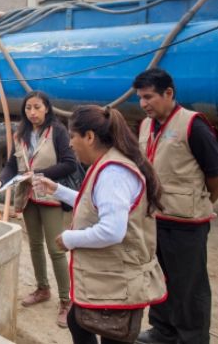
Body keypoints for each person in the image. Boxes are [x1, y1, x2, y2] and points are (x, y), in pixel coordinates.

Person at [33, 105, 167, 344]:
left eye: (73, 137)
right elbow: (93, 204)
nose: (71, 144)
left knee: (103, 332)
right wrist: (58, 190)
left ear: (90, 137)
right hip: (110, 278)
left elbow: (112, 230)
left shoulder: (113, 173)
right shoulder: (107, 164)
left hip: (118, 279)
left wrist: (69, 239)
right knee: (78, 321)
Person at [133, 69, 218, 344]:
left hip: (187, 224)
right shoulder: (146, 125)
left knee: (189, 288)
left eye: (148, 97)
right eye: (140, 97)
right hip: (155, 219)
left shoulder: (193, 125)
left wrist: (202, 202)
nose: (143, 103)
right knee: (158, 279)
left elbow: (217, 175)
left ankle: (192, 338)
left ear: (169, 93)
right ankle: (162, 331)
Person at [0, 91, 77, 328]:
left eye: (37, 107)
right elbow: (11, 165)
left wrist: (37, 174)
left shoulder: (57, 131)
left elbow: (69, 163)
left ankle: (66, 301)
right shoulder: (21, 133)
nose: (32, 113)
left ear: (47, 108)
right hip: (29, 198)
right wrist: (1, 180)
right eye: (28, 108)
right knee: (35, 245)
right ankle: (42, 289)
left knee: (56, 248)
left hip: (51, 197)